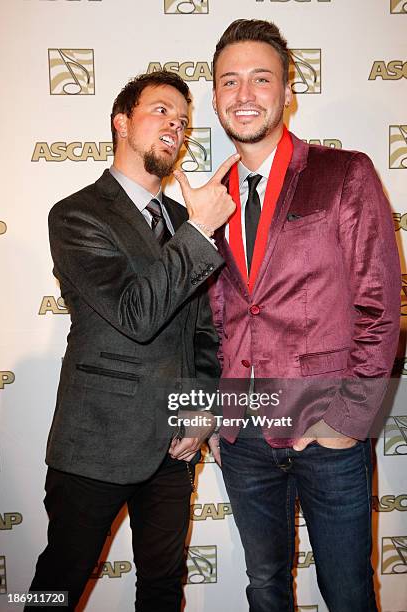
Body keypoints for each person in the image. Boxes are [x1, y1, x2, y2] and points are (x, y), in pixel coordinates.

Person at [206, 19, 401, 612]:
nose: (244, 95)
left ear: (287, 92)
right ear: (215, 96)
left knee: (347, 594)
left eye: (260, 80)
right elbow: (209, 320)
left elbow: (380, 307)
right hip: (243, 438)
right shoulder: (207, 202)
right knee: (265, 589)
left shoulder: (344, 175)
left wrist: (346, 420)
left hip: (328, 434)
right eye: (229, 82)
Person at [27, 70, 237, 611]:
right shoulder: (76, 214)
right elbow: (135, 313)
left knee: (164, 588)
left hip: (174, 445)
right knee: (57, 586)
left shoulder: (179, 219)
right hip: (97, 442)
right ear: (122, 121)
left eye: (184, 121)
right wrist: (199, 232)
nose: (176, 125)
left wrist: (200, 408)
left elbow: (202, 329)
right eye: (162, 111)